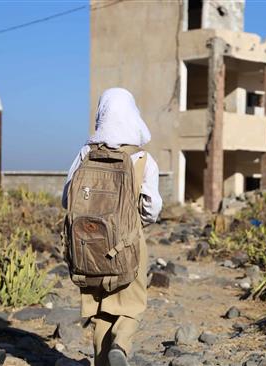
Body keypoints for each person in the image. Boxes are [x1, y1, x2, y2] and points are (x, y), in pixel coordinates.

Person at [62, 88, 162, 366]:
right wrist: (134, 224)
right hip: (128, 243)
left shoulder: (84, 154)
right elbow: (152, 207)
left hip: (88, 248)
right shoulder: (142, 159)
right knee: (131, 305)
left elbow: (66, 199)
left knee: (101, 312)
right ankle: (121, 344)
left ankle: (102, 359)